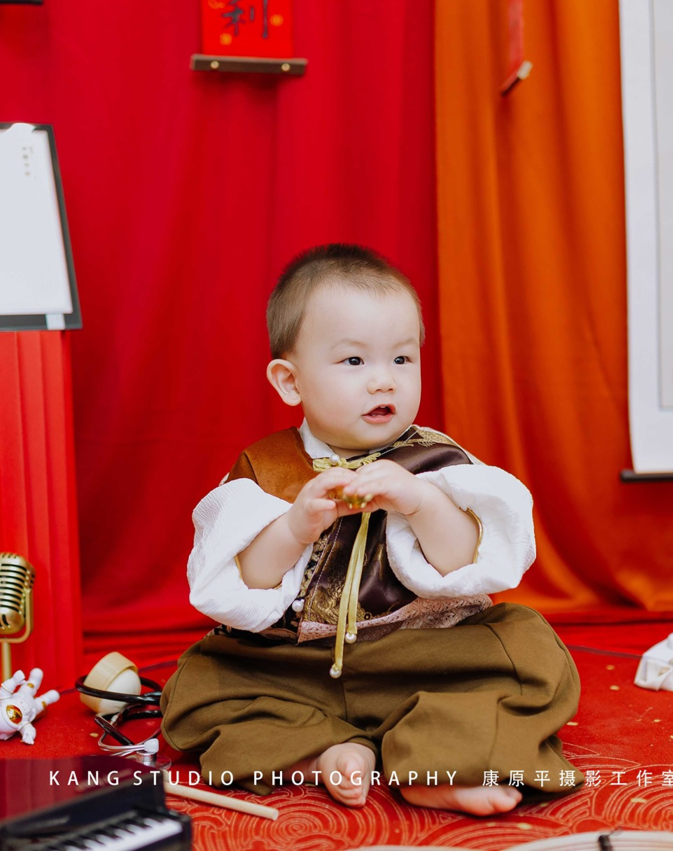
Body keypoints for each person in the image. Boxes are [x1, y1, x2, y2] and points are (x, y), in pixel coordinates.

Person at [160, 244, 580, 816]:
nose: (384, 381)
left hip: (422, 658)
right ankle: (323, 751)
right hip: (294, 665)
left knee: (530, 655)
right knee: (197, 688)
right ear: (290, 381)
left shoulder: (438, 462)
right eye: (354, 361)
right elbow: (243, 583)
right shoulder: (265, 470)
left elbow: (466, 563)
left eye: (402, 359)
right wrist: (294, 526)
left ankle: (435, 760)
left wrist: (421, 502)